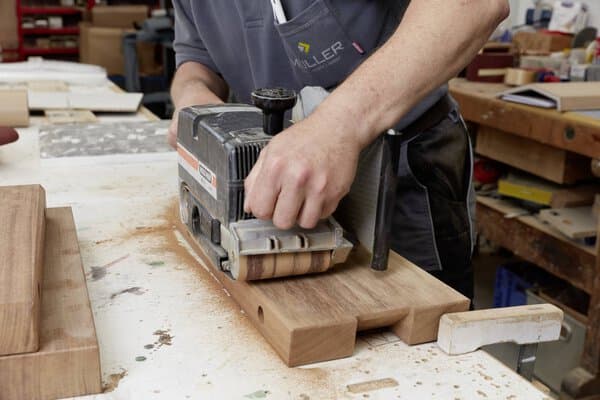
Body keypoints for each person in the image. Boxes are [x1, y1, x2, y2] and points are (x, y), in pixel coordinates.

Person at [168, 0, 510, 299]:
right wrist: (192, 93)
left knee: (419, 328)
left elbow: (472, 6)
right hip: (280, 177)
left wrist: (338, 124)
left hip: (400, 171)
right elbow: (196, 57)